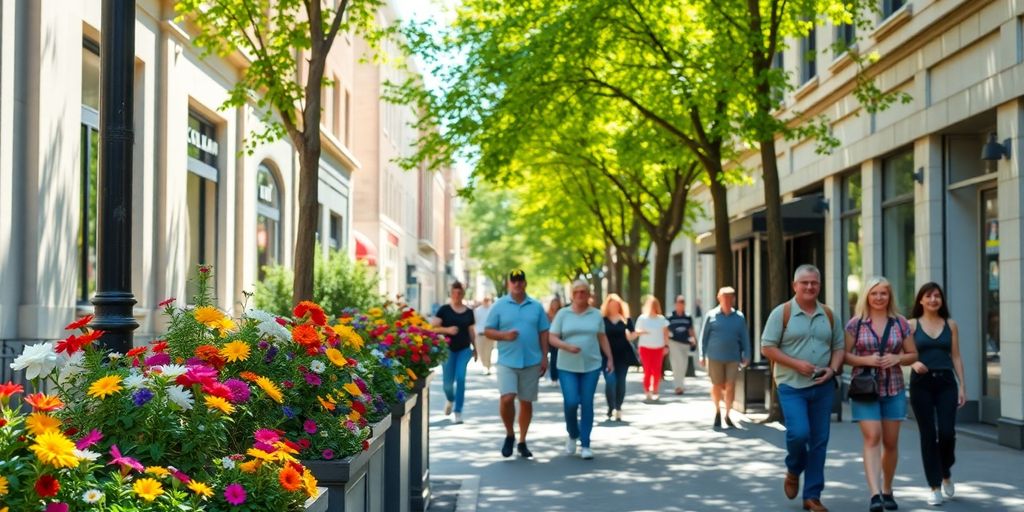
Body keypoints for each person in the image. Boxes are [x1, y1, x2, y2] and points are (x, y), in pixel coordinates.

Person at [761, 264, 844, 512]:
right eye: (804, 282)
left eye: (814, 283)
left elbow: (839, 347)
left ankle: (812, 496)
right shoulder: (782, 313)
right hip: (791, 385)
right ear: (795, 285)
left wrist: (833, 369)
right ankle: (794, 468)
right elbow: (767, 347)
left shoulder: (829, 314)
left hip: (823, 386)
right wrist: (796, 364)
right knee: (799, 433)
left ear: (819, 285)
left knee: (819, 442)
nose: (809, 287)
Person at [844, 276, 918, 512]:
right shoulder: (855, 324)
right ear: (867, 296)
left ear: (889, 296)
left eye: (883, 293)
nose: (878, 297)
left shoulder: (900, 323)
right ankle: (875, 494)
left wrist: (897, 358)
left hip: (894, 387)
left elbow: (913, 354)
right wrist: (866, 360)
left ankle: (887, 489)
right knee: (872, 437)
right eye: (874, 293)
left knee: (890, 442)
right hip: (865, 389)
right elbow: (844, 355)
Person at [908, 283, 965, 506]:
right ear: (921, 300)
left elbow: (956, 356)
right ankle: (934, 486)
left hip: (946, 383)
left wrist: (962, 386)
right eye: (928, 296)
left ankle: (945, 471)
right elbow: (902, 352)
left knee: (948, 432)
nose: (933, 299)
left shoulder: (951, 324)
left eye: (937, 296)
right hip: (921, 383)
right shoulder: (911, 324)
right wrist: (913, 363)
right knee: (928, 434)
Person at [484, 269, 550, 458]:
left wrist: (545, 356)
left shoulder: (536, 306)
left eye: (520, 280)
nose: (517, 284)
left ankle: (522, 441)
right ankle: (509, 434)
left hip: (531, 360)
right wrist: (504, 335)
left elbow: (544, 332)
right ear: (509, 284)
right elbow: (488, 331)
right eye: (514, 281)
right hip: (507, 361)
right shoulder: (499, 305)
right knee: (507, 398)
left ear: (525, 283)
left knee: (526, 402)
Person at [548, 280, 614, 459]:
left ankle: (585, 443)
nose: (580, 295)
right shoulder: (563, 314)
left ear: (588, 294)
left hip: (591, 364)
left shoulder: (596, 314)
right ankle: (573, 433)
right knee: (571, 402)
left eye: (583, 292)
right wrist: (566, 346)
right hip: (567, 365)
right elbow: (552, 337)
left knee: (587, 402)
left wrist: (609, 358)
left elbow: (602, 337)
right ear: (571, 295)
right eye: (576, 292)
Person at [698, 286, 750, 429]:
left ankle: (728, 414)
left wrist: (747, 354)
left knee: (730, 385)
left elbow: (745, 337)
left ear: (733, 299)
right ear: (719, 298)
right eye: (724, 297)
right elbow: (703, 337)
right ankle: (717, 411)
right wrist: (702, 354)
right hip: (714, 357)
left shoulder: (739, 317)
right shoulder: (711, 315)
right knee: (717, 385)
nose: (727, 300)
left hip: (733, 357)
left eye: (730, 297)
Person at [432, 281, 476, 425]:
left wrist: (475, 348)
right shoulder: (444, 310)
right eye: (454, 292)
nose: (457, 295)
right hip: (448, 350)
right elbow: (433, 328)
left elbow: (471, 331)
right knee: (447, 384)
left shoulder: (469, 312)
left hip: (464, 349)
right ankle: (450, 399)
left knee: (461, 378)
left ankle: (458, 411)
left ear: (463, 294)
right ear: (451, 293)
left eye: (459, 293)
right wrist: (447, 330)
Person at [601, 293, 638, 421]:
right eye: (611, 305)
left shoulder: (625, 320)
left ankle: (618, 407)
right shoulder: (603, 320)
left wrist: (631, 335)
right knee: (610, 381)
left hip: (623, 355)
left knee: (621, 382)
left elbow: (633, 335)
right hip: (606, 356)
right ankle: (610, 406)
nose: (614, 308)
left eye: (616, 305)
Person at [634, 297, 670, 401]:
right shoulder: (642, 318)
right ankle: (647, 390)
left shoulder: (661, 319)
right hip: (645, 348)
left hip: (658, 348)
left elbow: (666, 333)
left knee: (657, 371)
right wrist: (643, 332)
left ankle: (655, 389)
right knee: (647, 370)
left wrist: (666, 346)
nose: (652, 308)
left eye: (654, 306)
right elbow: (636, 331)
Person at [667, 295, 697, 395]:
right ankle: (678, 386)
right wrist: (666, 343)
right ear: (675, 304)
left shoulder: (688, 317)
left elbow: (691, 329)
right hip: (674, 342)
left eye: (682, 303)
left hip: (685, 343)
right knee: (676, 364)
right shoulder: (670, 317)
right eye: (679, 303)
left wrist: (694, 340)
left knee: (683, 364)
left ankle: (681, 384)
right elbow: (666, 330)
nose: (681, 305)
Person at [474, 295, 495, 375]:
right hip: (479, 334)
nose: (486, 301)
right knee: (480, 351)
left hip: (489, 334)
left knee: (488, 352)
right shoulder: (477, 311)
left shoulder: (492, 310)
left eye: (488, 300)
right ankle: (484, 365)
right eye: (485, 300)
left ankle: (487, 367)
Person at [545, 296, 563, 385]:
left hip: (561, 338)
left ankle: (561, 376)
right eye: (553, 304)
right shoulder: (548, 315)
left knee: (561, 357)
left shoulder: (562, 314)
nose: (555, 305)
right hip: (551, 338)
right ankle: (554, 378)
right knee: (553, 358)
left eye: (556, 304)